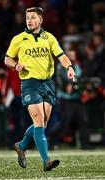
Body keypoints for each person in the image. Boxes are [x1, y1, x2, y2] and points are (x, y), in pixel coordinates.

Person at [4, 7, 75, 171]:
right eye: (27, 17)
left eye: (33, 17)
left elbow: (61, 56)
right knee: (38, 120)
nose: (29, 20)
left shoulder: (49, 37)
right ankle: (46, 161)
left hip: (47, 83)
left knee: (42, 124)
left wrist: (69, 67)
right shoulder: (19, 39)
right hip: (30, 83)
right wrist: (16, 65)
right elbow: (7, 58)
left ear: (41, 20)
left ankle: (21, 146)